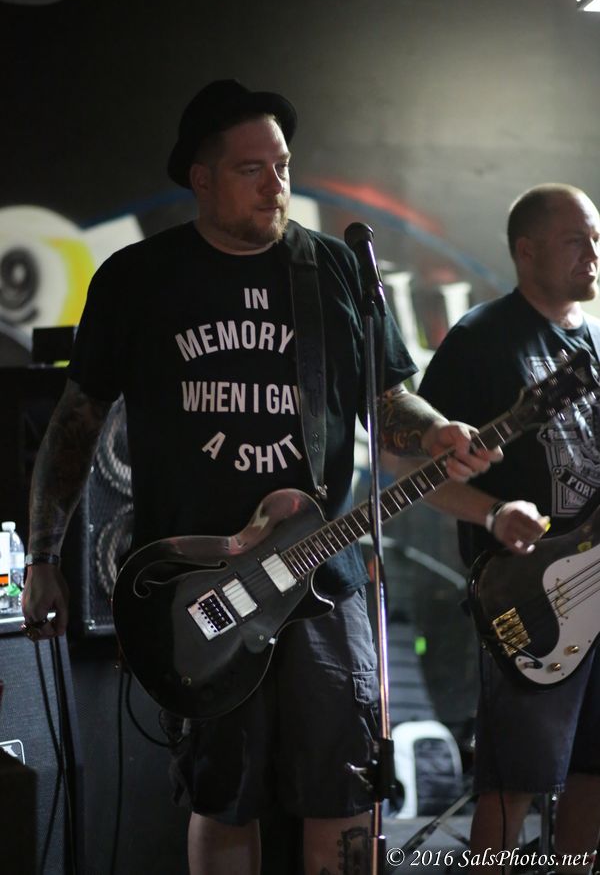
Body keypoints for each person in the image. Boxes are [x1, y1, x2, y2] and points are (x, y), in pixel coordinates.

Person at [21, 79, 499, 875]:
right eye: (251, 169)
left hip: (323, 580)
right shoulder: (140, 278)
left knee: (345, 792)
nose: (276, 184)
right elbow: (75, 424)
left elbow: (386, 402)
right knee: (223, 797)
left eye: (282, 165)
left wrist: (434, 430)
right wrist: (43, 558)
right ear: (201, 179)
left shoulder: (333, 271)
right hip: (201, 590)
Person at [418, 183, 600, 872]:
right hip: (528, 597)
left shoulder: (598, 338)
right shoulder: (481, 339)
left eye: (597, 239)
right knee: (513, 784)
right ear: (526, 251)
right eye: (575, 240)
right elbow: (416, 472)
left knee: (593, 774)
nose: (593, 254)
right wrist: (492, 513)